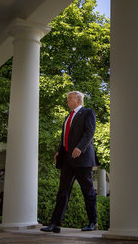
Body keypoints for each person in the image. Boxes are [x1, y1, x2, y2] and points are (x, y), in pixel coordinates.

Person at [41, 91, 99, 233]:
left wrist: (80, 147)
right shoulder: (68, 117)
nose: (67, 100)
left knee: (88, 192)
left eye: (70, 98)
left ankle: (93, 222)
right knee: (62, 192)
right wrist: (59, 152)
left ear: (78, 100)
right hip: (67, 160)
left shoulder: (88, 113)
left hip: (83, 159)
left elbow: (89, 132)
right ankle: (55, 224)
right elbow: (65, 138)